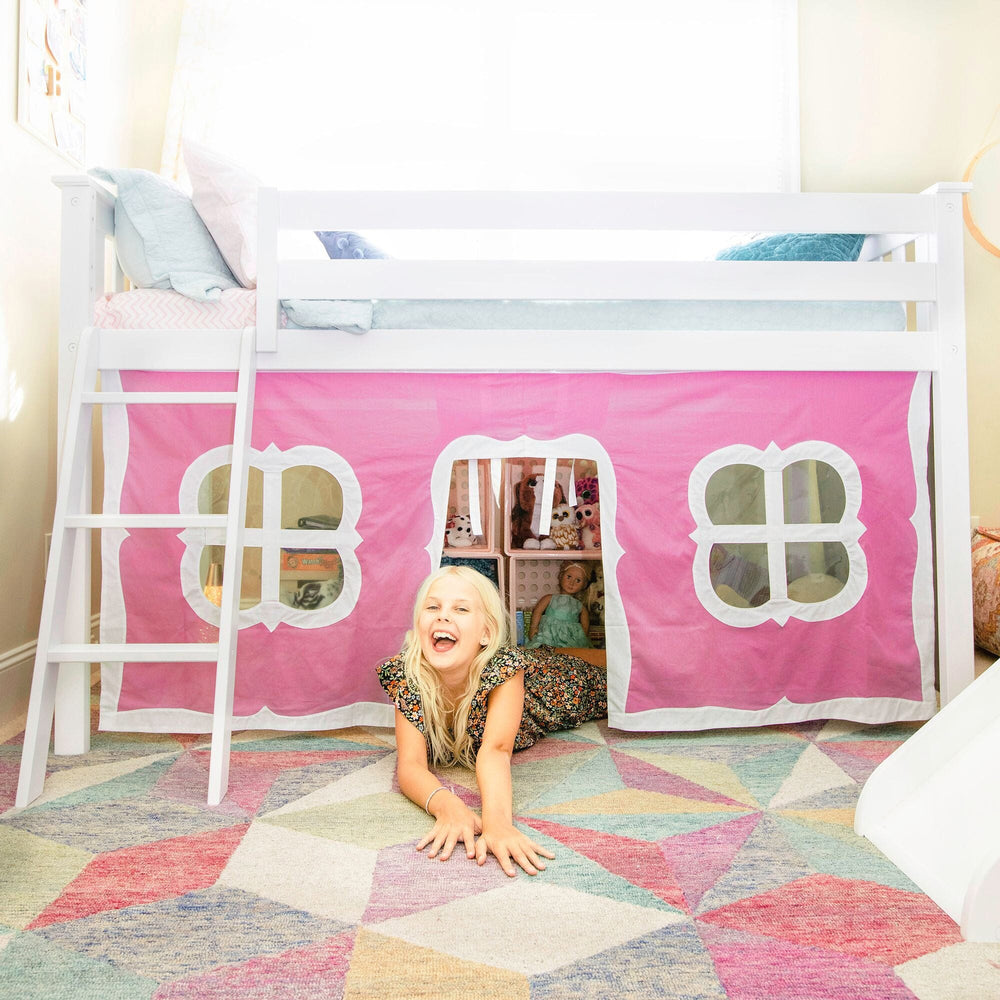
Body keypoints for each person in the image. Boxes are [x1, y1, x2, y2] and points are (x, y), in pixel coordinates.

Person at [377, 565, 607, 877]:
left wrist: (498, 825)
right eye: (433, 607)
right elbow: (410, 765)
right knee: (549, 657)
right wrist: (448, 806)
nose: (443, 616)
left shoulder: (504, 671)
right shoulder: (407, 674)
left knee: (610, 681)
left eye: (460, 608)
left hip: (552, 685)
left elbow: (495, 751)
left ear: (486, 633)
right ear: (419, 623)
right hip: (530, 664)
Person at [526, 561, 593, 649]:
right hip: (549, 634)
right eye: (569, 577)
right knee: (544, 649)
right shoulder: (549, 598)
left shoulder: (580, 606)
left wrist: (582, 638)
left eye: (578, 580)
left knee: (571, 652)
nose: (572, 583)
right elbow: (537, 612)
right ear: (561, 576)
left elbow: (585, 625)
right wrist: (534, 627)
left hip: (569, 637)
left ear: (584, 585)